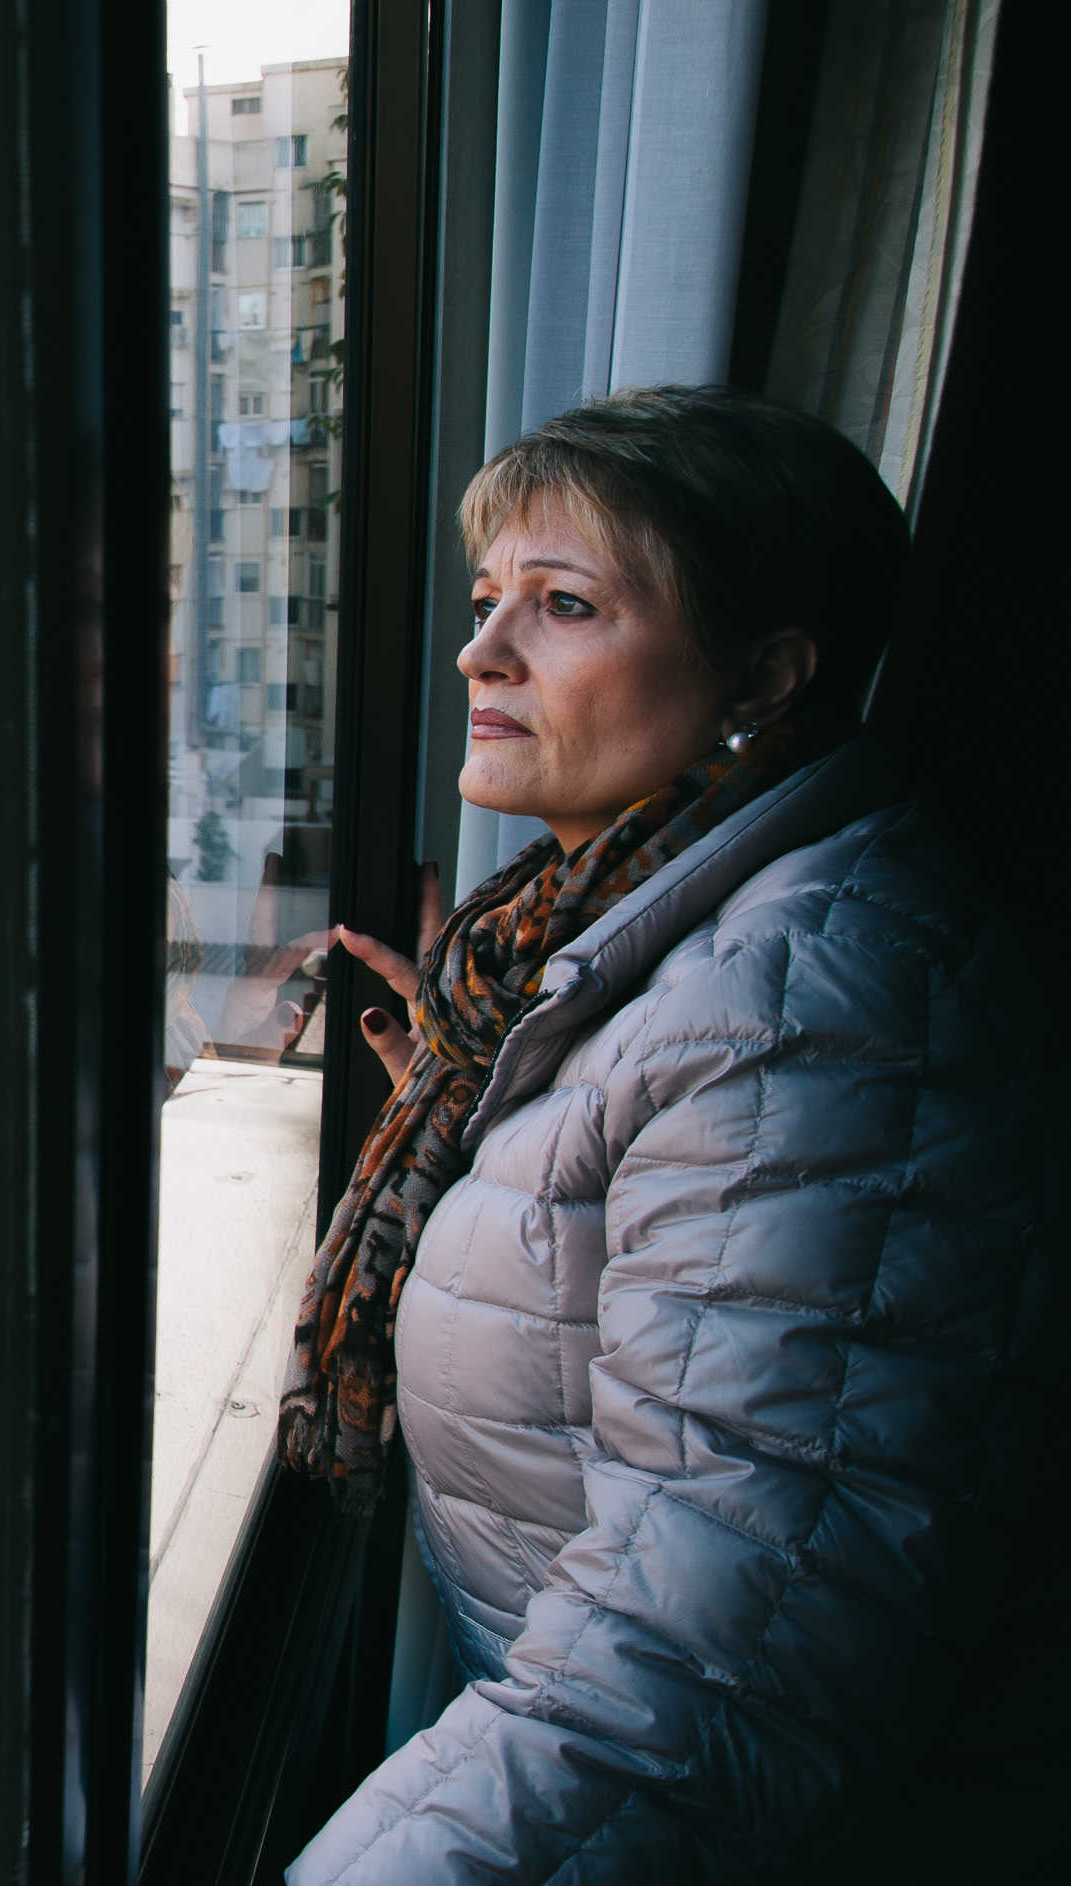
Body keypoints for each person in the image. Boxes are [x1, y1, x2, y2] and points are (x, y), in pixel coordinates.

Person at [279, 386, 1063, 1882]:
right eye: (485, 596)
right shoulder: (609, 937)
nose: (479, 650)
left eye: (562, 605)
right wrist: (479, 1096)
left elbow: (709, 1670)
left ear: (761, 674)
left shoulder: (822, 1011)